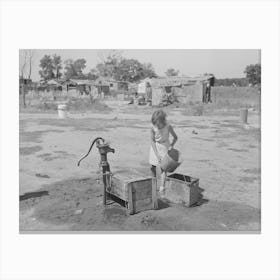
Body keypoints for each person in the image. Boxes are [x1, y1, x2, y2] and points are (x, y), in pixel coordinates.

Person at [149, 110, 178, 193]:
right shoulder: (152, 127)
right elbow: (152, 141)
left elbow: (175, 137)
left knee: (163, 168)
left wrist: (171, 147)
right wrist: (157, 155)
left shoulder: (168, 126)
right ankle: (153, 185)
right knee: (152, 167)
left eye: (158, 123)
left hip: (165, 146)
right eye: (155, 123)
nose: (157, 125)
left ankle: (162, 187)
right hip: (155, 147)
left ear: (163, 121)